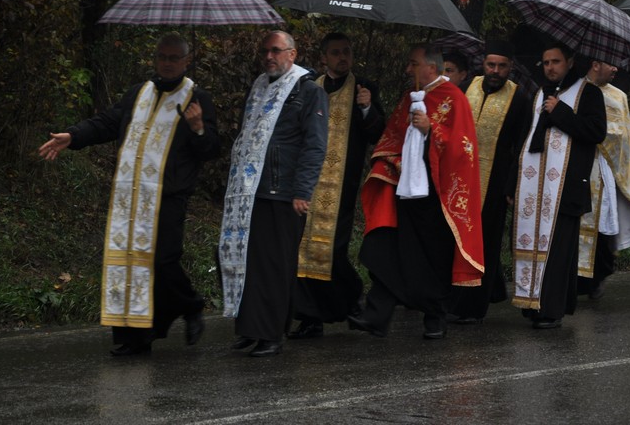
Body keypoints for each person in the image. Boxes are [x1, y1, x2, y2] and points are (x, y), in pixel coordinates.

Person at [38, 33, 220, 356]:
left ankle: (190, 305)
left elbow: (211, 151)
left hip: (168, 196)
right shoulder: (139, 92)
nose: (166, 63)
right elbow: (107, 123)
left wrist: (198, 129)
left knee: (163, 261)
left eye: (173, 58)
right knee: (128, 263)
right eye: (162, 56)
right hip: (130, 196)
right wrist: (73, 136)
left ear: (185, 61)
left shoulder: (197, 98)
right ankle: (134, 338)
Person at [351, 43, 485, 339]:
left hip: (435, 196)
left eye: (413, 64)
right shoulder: (409, 98)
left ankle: (435, 316)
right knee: (390, 250)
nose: (408, 70)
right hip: (403, 190)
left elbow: (463, 149)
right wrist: (394, 162)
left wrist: (430, 131)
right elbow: (392, 136)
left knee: (432, 257)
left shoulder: (454, 99)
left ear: (431, 68)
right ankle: (377, 315)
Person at [218, 30, 328, 357]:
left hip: (284, 191)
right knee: (249, 262)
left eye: (276, 51)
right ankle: (251, 328)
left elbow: (315, 145)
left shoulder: (308, 91)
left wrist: (303, 190)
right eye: (265, 50)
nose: (269, 56)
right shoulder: (259, 87)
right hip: (250, 191)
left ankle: (271, 334)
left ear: (292, 54)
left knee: (275, 266)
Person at [289, 32, 386, 339]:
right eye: (336, 53)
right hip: (307, 181)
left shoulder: (364, 87)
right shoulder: (309, 87)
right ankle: (310, 317)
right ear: (324, 58)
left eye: (347, 52)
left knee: (333, 248)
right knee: (303, 248)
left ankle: (351, 294)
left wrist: (367, 108)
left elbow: (377, 134)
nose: (342, 57)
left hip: (341, 182)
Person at [512, 42, 606, 329]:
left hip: (567, 186)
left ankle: (550, 310)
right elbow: (527, 137)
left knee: (558, 250)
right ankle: (533, 302)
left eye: (556, 61)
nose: (550, 67)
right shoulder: (541, 92)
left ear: (569, 62)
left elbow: (596, 132)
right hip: (535, 186)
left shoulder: (588, 92)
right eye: (546, 62)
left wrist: (561, 112)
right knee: (536, 246)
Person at [448, 40, 531, 323]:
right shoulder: (467, 87)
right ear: (483, 64)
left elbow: (521, 146)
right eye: (491, 65)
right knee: (458, 238)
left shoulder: (519, 98)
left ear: (510, 67)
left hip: (495, 183)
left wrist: (511, 186)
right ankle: (485, 290)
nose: (495, 71)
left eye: (502, 66)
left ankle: (472, 307)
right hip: (460, 179)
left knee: (485, 241)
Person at [576, 59, 630, 300]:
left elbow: (624, 138)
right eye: (612, 64)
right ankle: (576, 279)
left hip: (606, 169)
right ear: (596, 64)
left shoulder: (618, 96)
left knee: (604, 224)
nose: (617, 69)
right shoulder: (575, 91)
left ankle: (598, 276)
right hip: (579, 167)